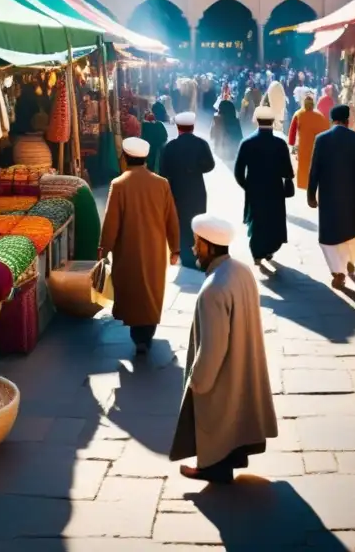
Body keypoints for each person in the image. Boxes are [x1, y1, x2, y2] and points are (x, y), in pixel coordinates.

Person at [169, 213, 278, 483]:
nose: (193, 248)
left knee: (216, 416)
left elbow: (213, 348)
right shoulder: (240, 271)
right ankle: (223, 463)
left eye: (197, 243)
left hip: (223, 370)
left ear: (208, 246)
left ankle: (212, 467)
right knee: (235, 415)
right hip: (241, 362)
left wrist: (198, 380)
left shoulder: (213, 289)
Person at [99, 137, 181, 353]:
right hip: (155, 250)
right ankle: (148, 333)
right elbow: (171, 219)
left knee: (133, 291)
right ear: (146, 159)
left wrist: (103, 249)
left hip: (128, 250)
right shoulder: (161, 183)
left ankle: (139, 337)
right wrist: (175, 249)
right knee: (152, 291)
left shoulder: (118, 184)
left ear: (125, 158)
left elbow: (110, 223)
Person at [308, 105, 355, 289]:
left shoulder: (321, 139)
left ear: (332, 120)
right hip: (353, 198)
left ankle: (337, 272)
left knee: (330, 237)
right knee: (353, 234)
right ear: (348, 120)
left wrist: (311, 194)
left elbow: (314, 170)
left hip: (328, 198)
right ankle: (349, 260)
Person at [235, 106, 294, 265]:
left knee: (258, 221)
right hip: (275, 189)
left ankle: (257, 253)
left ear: (256, 121)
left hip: (255, 190)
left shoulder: (247, 142)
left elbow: (238, 171)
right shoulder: (280, 144)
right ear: (273, 122)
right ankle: (269, 250)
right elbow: (287, 170)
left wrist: (247, 186)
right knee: (273, 220)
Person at [160, 112, 216, 268]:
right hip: (197, 190)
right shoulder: (201, 144)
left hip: (176, 191)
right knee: (197, 221)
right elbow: (210, 165)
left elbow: (162, 173)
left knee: (181, 222)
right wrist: (195, 168)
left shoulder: (169, 147)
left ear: (178, 128)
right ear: (192, 127)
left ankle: (185, 256)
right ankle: (199, 253)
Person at [288, 92, 329, 191]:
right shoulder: (319, 116)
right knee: (315, 166)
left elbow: (292, 132)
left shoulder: (299, 114)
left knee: (303, 167)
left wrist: (291, 143)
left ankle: (304, 185)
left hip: (303, 147)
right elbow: (327, 130)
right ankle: (314, 185)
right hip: (317, 147)